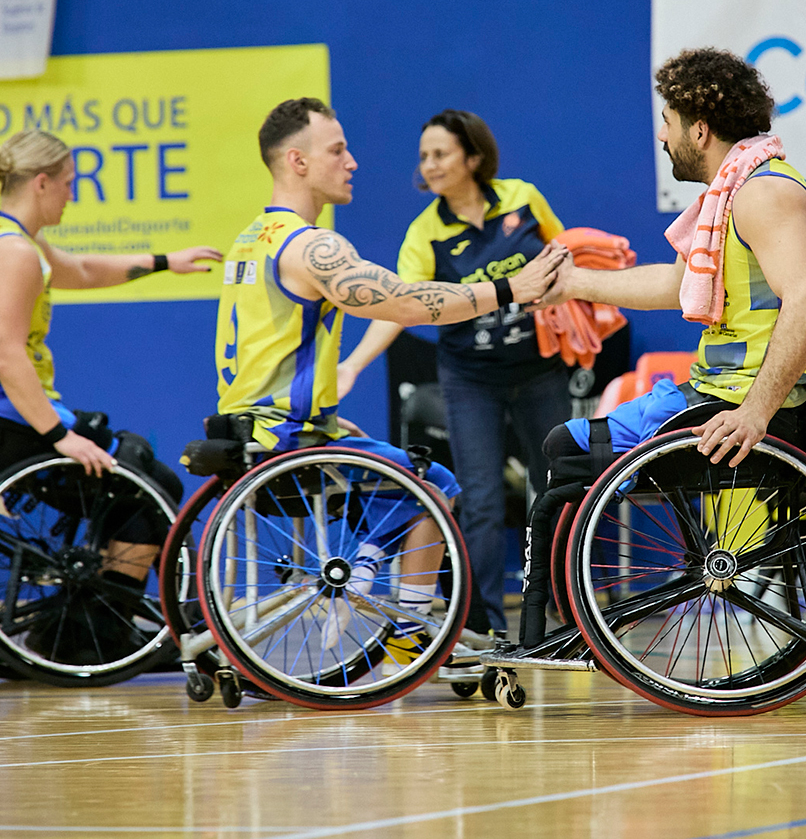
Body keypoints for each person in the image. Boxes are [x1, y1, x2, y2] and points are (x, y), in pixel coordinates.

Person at [214, 97, 566, 651]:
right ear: (298, 162)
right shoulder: (313, 246)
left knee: (406, 475)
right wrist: (507, 290)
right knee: (436, 485)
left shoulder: (250, 238)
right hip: (284, 436)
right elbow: (405, 302)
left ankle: (370, 573)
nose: (352, 161)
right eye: (337, 150)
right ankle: (409, 633)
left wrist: (327, 416)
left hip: (250, 427)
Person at [524, 47, 806, 642]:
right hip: (723, 394)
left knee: (566, 447)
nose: (662, 137)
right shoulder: (738, 192)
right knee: (568, 446)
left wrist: (755, 413)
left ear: (700, 129)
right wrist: (572, 284)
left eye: (667, 122)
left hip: (740, 404)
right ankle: (577, 622)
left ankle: (564, 627)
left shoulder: (761, 195)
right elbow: (676, 285)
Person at [0, 128, 221, 658]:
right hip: (6, 420)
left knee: (137, 471)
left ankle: (92, 619)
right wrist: (59, 436)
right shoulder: (15, 254)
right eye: (69, 183)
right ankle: (98, 630)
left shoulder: (5, 238)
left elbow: (84, 269)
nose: (73, 194)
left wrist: (165, 261)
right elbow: (6, 355)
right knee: (151, 485)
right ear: (42, 183)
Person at [335, 110, 572, 636]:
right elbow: (400, 307)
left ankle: (568, 607)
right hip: (471, 380)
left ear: (473, 156)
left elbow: (565, 255)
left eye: (440, 153)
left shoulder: (522, 198)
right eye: (424, 156)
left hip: (541, 370)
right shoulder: (425, 233)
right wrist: (352, 364)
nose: (429, 165)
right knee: (480, 499)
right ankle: (484, 627)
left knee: (559, 487)